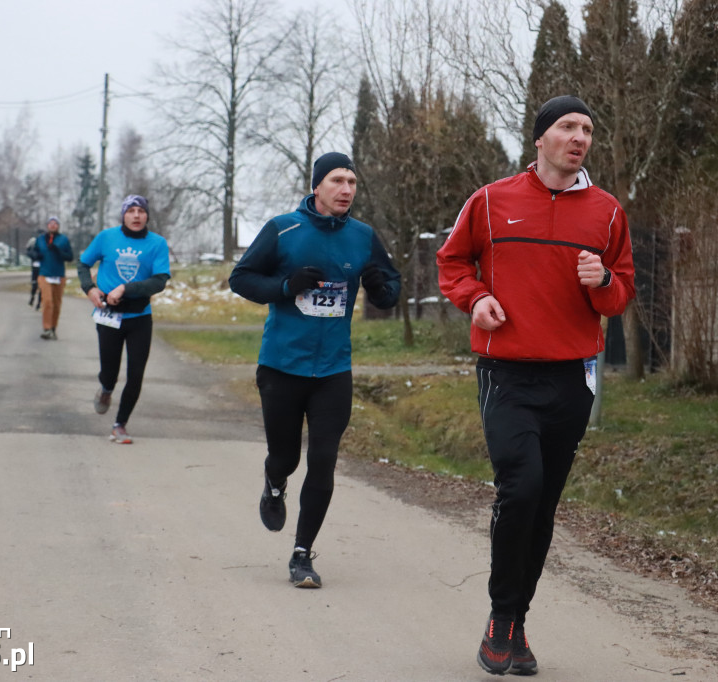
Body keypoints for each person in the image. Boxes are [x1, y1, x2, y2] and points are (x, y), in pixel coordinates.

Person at [436, 95, 635, 676]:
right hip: (508, 373)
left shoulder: (607, 213)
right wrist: (477, 299)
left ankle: (517, 623)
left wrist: (601, 282)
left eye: (588, 129)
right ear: (541, 138)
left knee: (543, 503)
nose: (580, 137)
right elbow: (453, 264)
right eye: (568, 127)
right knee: (520, 489)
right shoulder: (493, 201)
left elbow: (620, 292)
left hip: (572, 378)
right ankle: (500, 618)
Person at [229, 152, 401, 589]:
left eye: (352, 182)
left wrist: (381, 290)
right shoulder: (283, 229)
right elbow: (242, 278)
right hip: (282, 365)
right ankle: (273, 482)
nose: (347, 190)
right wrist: (285, 287)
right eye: (338, 181)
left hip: (332, 370)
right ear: (317, 187)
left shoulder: (362, 236)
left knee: (323, 461)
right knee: (286, 456)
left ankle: (302, 554)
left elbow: (390, 287)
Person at [78, 195, 171, 445]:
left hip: (140, 316)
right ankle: (106, 389)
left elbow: (159, 280)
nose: (136, 215)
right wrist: (90, 289)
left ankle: (120, 425)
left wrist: (125, 289)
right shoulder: (106, 238)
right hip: (109, 315)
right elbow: (83, 264)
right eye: (131, 211)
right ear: (123, 215)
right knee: (110, 372)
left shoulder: (157, 244)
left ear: (147, 216)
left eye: (141, 211)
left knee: (136, 374)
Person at [34, 217, 74, 340]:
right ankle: (46, 328)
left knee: (56, 304)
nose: (52, 225)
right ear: (47, 226)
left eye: (55, 223)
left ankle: (53, 328)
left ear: (58, 226)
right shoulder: (40, 239)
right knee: (47, 302)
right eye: (50, 223)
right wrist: (36, 255)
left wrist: (58, 251)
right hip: (44, 274)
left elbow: (70, 257)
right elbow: (32, 252)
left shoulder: (63, 240)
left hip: (59, 275)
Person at [26, 233, 42, 310]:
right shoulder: (33, 241)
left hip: (43, 268)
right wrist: (34, 256)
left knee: (41, 286)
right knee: (34, 284)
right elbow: (28, 251)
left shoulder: (46, 242)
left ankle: (39, 303)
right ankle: (32, 298)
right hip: (35, 267)